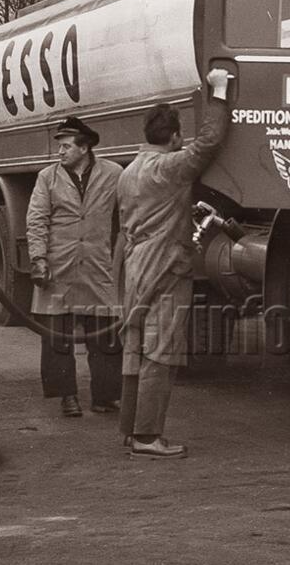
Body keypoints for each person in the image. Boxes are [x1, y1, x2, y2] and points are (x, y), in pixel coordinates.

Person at [117, 68, 232, 459]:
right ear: (176, 137)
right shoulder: (168, 168)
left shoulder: (128, 172)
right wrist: (219, 91)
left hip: (136, 266)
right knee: (161, 351)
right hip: (166, 266)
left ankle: (131, 430)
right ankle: (148, 436)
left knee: (137, 348)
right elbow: (209, 142)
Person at [25, 116, 123, 418]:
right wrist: (38, 259)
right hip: (59, 267)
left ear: (84, 148)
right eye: (60, 146)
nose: (60, 152)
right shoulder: (47, 178)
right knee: (58, 336)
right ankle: (67, 396)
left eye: (66, 146)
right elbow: (36, 219)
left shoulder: (114, 174)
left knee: (105, 334)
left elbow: (127, 215)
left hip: (98, 266)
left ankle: (105, 396)